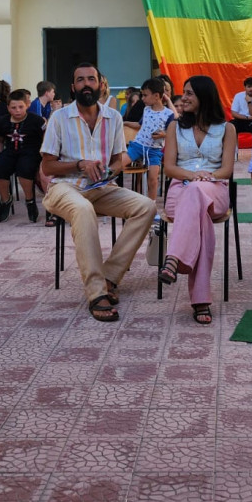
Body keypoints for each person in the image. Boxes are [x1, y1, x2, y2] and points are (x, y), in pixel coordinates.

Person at [41, 63, 156, 322]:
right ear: (73, 87)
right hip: (64, 187)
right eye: (80, 80)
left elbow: (117, 159)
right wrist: (79, 164)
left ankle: (109, 277)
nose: (85, 84)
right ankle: (96, 293)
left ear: (100, 85)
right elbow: (47, 166)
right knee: (83, 209)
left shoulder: (113, 117)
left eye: (91, 79)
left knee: (146, 207)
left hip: (101, 187)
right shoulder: (59, 118)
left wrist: (110, 170)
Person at [159, 75, 237, 325]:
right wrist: (193, 176)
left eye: (190, 93)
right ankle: (200, 300)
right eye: (184, 93)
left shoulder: (227, 128)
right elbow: (169, 167)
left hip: (215, 189)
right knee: (197, 210)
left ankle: (173, 257)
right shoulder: (175, 127)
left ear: (205, 96)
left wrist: (206, 177)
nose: (184, 98)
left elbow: (226, 169)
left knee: (197, 193)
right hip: (180, 192)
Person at [0, 88, 45, 223]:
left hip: (31, 152)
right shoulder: (3, 121)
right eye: (13, 107)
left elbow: (46, 137)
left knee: (25, 170)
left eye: (20, 107)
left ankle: (30, 201)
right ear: (8, 108)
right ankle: (5, 199)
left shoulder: (36, 120)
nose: (17, 110)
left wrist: (44, 156)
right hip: (10, 152)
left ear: (27, 105)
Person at [126, 77, 176, 203]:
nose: (142, 98)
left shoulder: (168, 114)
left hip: (154, 150)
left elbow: (172, 132)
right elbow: (140, 125)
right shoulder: (146, 109)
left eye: (145, 95)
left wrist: (162, 135)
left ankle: (151, 207)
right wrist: (125, 122)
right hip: (138, 145)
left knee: (153, 179)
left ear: (156, 96)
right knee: (120, 162)